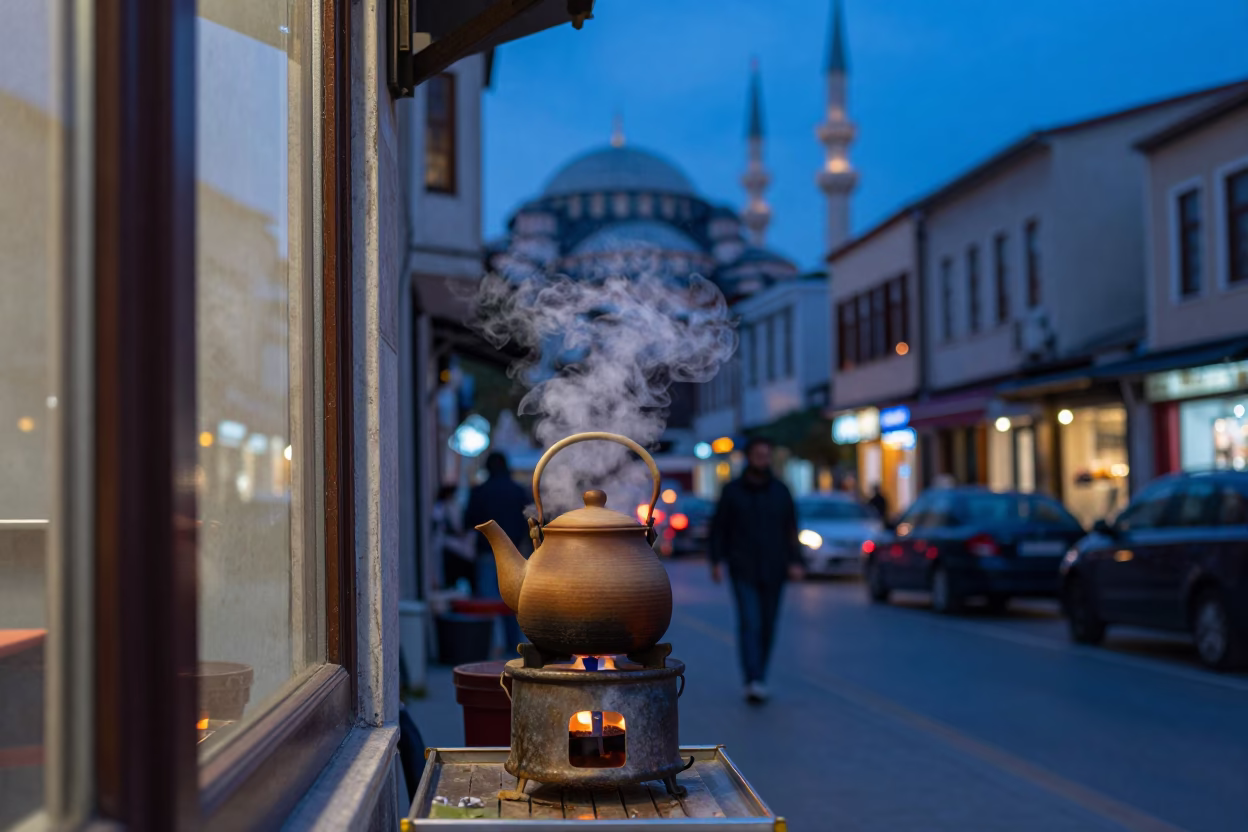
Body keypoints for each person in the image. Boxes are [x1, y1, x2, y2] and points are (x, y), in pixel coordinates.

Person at [709, 437, 805, 704]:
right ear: (749, 457)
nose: (763, 460)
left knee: (768, 625)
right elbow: (719, 529)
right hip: (743, 568)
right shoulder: (732, 491)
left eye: (767, 455)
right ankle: (753, 678)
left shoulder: (781, 491)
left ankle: (760, 674)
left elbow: (791, 528)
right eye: (759, 455)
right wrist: (716, 561)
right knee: (750, 622)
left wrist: (796, 561)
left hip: (775, 568)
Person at [463, 451, 528, 653]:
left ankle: (488, 647)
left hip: (487, 552)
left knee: (488, 603)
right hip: (514, 554)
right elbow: (530, 522)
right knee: (514, 604)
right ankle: (513, 647)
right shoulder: (518, 491)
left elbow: (468, 520)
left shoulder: (480, 491)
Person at [432, 485, 474, 593]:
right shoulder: (442, 506)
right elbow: (442, 525)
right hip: (447, 544)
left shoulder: (452, 505)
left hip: (453, 544)